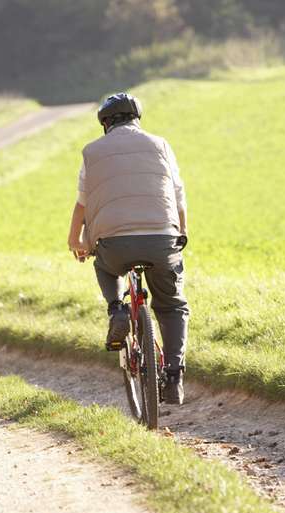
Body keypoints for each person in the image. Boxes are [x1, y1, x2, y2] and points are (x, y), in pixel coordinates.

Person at [67, 92, 190, 405]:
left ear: (106, 123)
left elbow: (83, 201)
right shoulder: (161, 145)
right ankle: (174, 374)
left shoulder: (92, 152)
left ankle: (117, 309)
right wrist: (181, 233)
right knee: (172, 305)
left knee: (104, 266)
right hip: (162, 238)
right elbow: (178, 195)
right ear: (137, 119)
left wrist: (76, 239)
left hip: (112, 241)